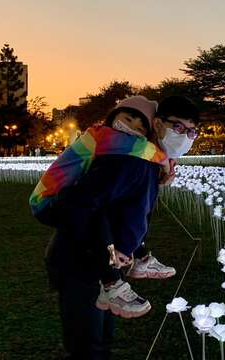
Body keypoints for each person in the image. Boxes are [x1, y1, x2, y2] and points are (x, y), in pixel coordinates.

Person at [30, 95, 199, 359]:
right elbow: (81, 204)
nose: (184, 136)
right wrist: (108, 258)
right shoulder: (128, 158)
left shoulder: (146, 160)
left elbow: (123, 211)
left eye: (191, 132)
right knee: (89, 348)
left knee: (101, 342)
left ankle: (137, 260)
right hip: (82, 261)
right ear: (158, 125)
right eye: (178, 127)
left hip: (99, 260)